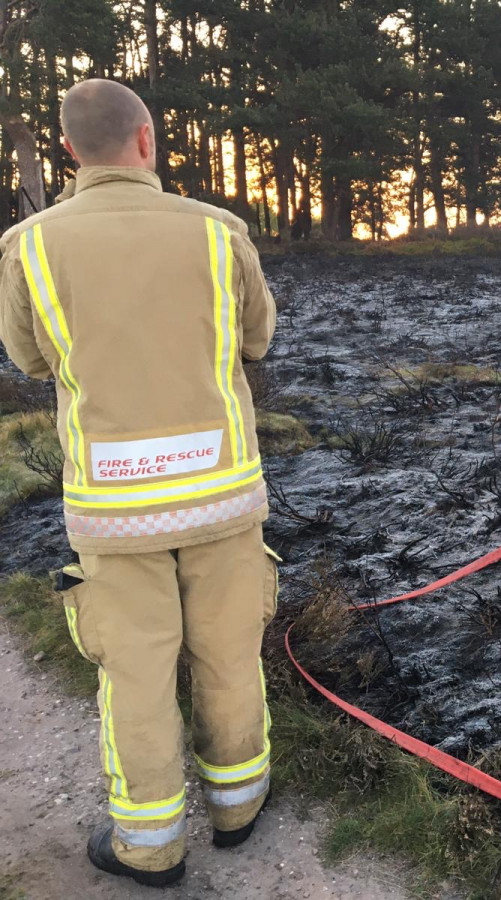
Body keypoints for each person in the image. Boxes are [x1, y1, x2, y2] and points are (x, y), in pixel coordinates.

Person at [0, 79, 278, 887]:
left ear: (67, 151)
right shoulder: (221, 234)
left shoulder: (29, 246)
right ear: (147, 140)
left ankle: (150, 848)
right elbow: (259, 340)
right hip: (222, 497)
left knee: (135, 675)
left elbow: (28, 359)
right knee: (230, 655)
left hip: (113, 511)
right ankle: (239, 809)